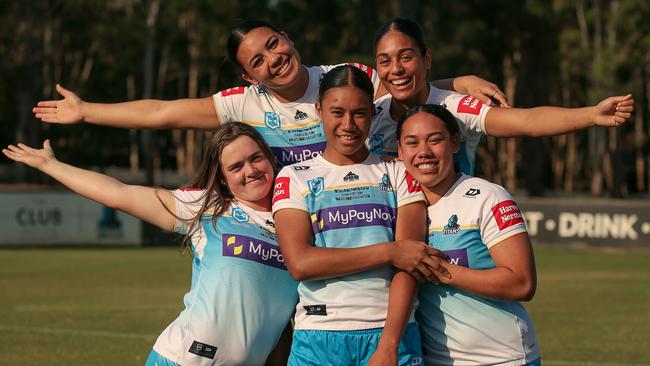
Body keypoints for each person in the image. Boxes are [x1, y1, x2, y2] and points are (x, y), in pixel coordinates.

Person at [3, 122, 299, 366]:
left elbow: (280, 319)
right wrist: (51, 165)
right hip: (183, 359)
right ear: (222, 179)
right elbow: (118, 193)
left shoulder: (298, 219)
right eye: (236, 167)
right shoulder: (206, 207)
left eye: (255, 158)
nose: (250, 170)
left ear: (270, 157)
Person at [32, 20, 505, 168]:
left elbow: (405, 82)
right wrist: (86, 111)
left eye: (274, 45)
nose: (273, 59)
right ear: (250, 77)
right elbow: (161, 112)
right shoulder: (245, 103)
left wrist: (457, 83)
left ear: (288, 38)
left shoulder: (344, 74)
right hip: (291, 233)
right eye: (257, 61)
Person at [273, 65, 444, 365]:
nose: (348, 125)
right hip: (318, 335)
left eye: (360, 113)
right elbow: (301, 263)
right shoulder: (294, 176)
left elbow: (411, 262)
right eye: (337, 112)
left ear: (373, 113)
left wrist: (389, 345)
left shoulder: (398, 172)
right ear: (319, 110)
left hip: (391, 334)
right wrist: (390, 251)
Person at [369, 18, 635, 175]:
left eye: (406, 57)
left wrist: (590, 114)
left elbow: (527, 121)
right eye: (385, 61)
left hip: (452, 240)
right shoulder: (370, 114)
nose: (396, 70)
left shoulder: (455, 106)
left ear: (426, 58)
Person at [397, 104, 541, 365]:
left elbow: (522, 283)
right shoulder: (398, 204)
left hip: (501, 358)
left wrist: (440, 270)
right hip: (433, 360)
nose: (423, 152)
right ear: (399, 150)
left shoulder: (487, 196)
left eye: (435, 140)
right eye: (412, 143)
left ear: (454, 143)